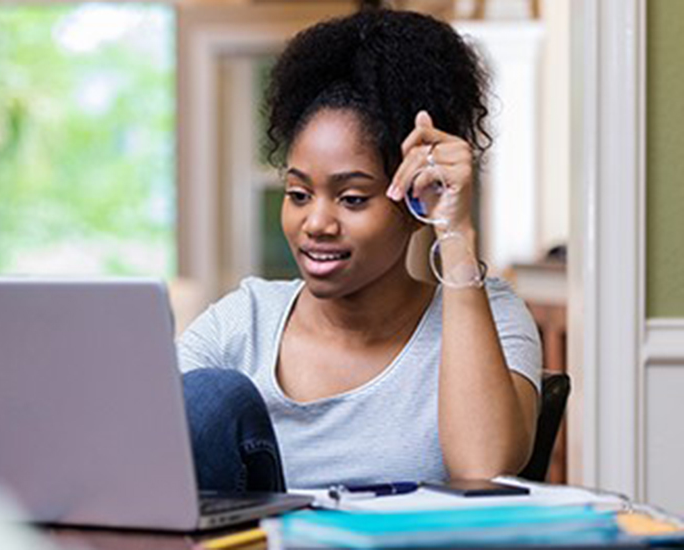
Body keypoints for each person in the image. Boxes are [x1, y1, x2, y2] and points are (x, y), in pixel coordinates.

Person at [177, 8, 542, 492]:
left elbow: (482, 471)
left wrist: (454, 231)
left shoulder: (491, 317)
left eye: (352, 198)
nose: (316, 224)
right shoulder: (244, 323)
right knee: (206, 398)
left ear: (414, 200)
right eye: (298, 194)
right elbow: (132, 434)